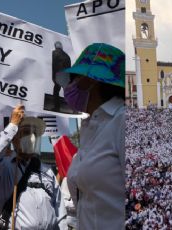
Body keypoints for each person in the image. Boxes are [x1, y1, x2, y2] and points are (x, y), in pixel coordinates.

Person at [63, 43, 125, 229]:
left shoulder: (121, 120)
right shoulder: (91, 128)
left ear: (89, 80)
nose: (69, 86)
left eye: (73, 79)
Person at [0, 106, 66, 229]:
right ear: (15, 139)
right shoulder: (4, 167)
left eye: (34, 133)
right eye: (26, 133)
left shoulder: (47, 171)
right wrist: (13, 125)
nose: (32, 137)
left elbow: (60, 210)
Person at [51, 41, 71, 112]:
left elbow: (54, 66)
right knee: (68, 93)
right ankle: (74, 109)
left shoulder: (54, 53)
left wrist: (53, 77)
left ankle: (57, 107)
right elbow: (69, 68)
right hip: (65, 76)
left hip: (58, 75)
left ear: (55, 46)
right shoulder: (67, 56)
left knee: (56, 91)